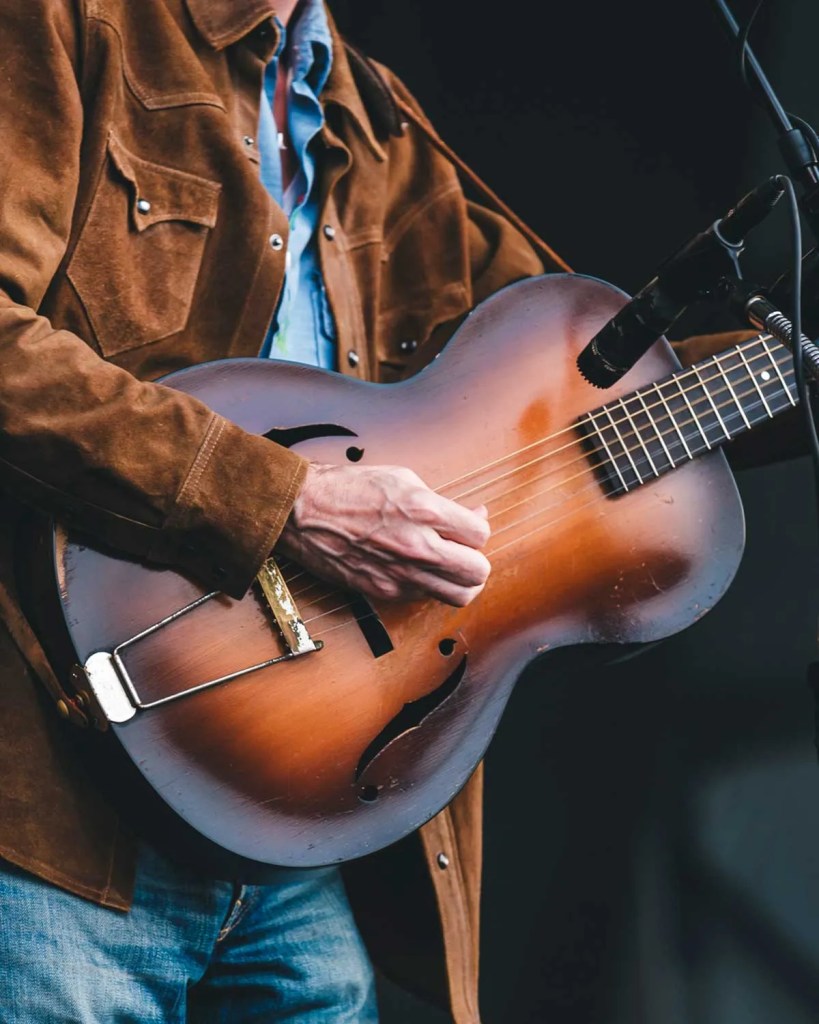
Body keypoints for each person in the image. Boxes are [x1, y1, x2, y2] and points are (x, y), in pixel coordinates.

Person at [0, 0, 571, 1021]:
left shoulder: (376, 117)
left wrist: (777, 371)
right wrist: (283, 499)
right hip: (54, 810)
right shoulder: (66, 24)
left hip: (295, 841)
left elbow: (570, 385)